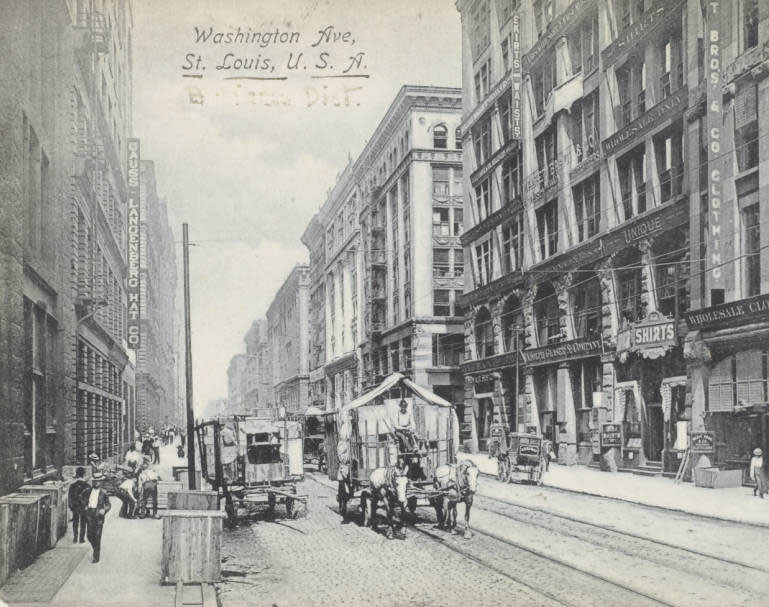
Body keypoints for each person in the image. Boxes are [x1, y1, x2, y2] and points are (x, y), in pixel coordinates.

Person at [81, 471, 111, 563]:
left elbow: (109, 504)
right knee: (89, 535)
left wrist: (104, 510)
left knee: (97, 536)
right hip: (90, 514)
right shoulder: (87, 491)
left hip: (99, 516)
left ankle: (96, 556)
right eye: (94, 481)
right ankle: (95, 549)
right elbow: (82, 499)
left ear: (101, 482)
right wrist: (85, 506)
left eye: (98, 481)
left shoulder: (104, 493)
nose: (96, 483)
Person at [68, 467, 90, 543]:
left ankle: (75, 538)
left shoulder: (72, 485)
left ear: (76, 474)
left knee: (75, 522)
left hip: (75, 506)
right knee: (83, 522)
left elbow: (70, 497)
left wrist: (71, 506)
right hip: (84, 507)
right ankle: (81, 538)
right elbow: (89, 498)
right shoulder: (87, 486)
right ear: (84, 474)